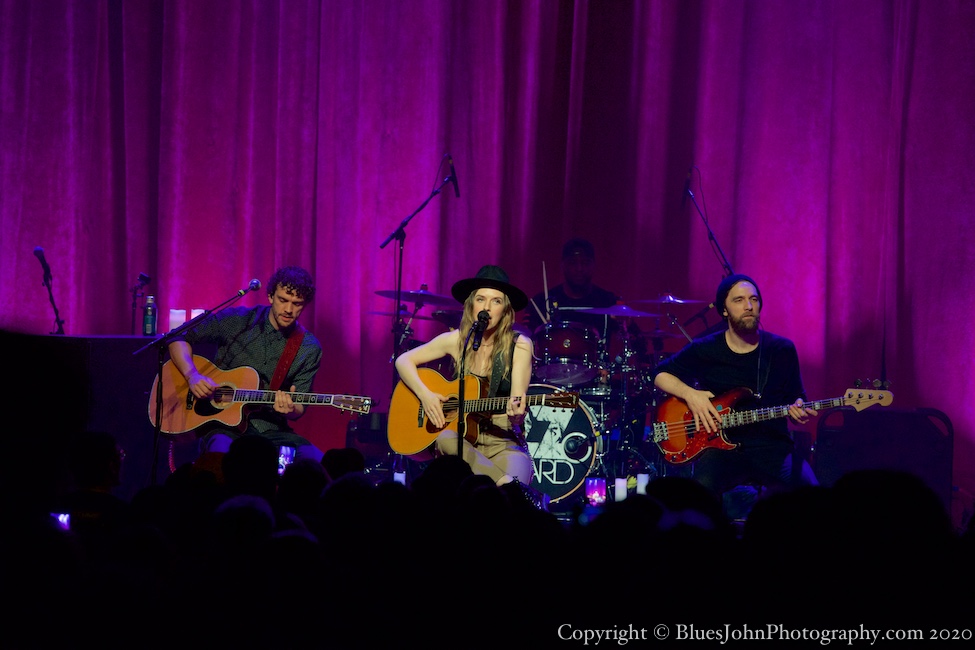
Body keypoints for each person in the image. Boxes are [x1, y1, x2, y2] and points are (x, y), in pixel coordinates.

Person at [650, 273, 818, 511]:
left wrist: (798, 408)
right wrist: (691, 394)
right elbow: (659, 374)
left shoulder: (781, 349)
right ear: (724, 310)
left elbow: (797, 397)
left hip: (772, 447)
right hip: (720, 448)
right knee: (699, 495)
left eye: (754, 299)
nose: (749, 306)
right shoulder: (706, 348)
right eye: (739, 300)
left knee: (812, 493)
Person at [393, 265, 539, 498]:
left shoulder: (519, 345)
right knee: (445, 439)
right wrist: (426, 395)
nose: (487, 308)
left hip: (502, 442)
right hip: (461, 443)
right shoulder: (456, 340)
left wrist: (517, 413)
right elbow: (403, 360)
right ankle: (504, 487)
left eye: (496, 301)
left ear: (506, 310)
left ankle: (506, 488)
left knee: (515, 500)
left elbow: (517, 398)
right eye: (481, 299)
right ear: (471, 304)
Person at [166, 265, 325, 463]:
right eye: (283, 300)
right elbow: (177, 337)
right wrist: (192, 376)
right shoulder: (238, 321)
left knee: (314, 460)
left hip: (271, 430)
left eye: (297, 303)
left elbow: (299, 408)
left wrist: (290, 409)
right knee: (219, 457)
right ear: (270, 296)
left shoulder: (308, 348)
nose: (289, 310)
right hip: (222, 426)